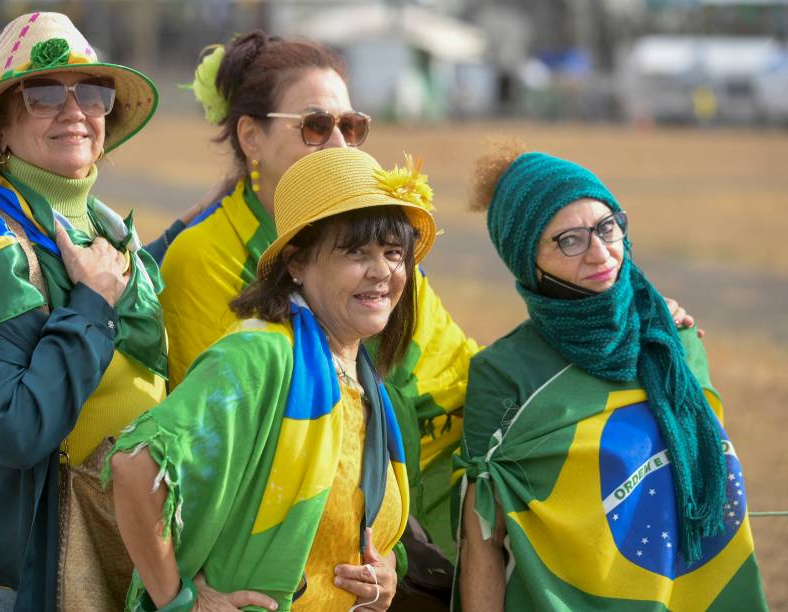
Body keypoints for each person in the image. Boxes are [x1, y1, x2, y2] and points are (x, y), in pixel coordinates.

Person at [145, 31, 478, 580]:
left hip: (374, 539)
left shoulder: (379, 250)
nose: (341, 146)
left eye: (352, 127)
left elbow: (458, 372)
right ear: (251, 136)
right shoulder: (202, 254)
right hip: (263, 562)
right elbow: (233, 438)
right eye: (316, 126)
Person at [0, 12, 169, 610]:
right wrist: (93, 305)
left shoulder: (106, 228)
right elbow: (17, 427)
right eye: (44, 92)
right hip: (16, 577)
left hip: (115, 555)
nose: (75, 110)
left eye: (93, 92)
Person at [109, 147, 438, 611]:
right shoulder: (259, 354)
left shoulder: (361, 377)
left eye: (393, 252)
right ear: (297, 264)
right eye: (356, 251)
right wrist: (180, 601)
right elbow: (135, 465)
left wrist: (381, 576)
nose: (383, 271)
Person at [455, 142, 767, 611]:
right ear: (528, 260)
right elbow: (482, 537)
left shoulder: (674, 342)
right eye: (570, 240)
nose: (600, 252)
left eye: (607, 226)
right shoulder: (503, 373)